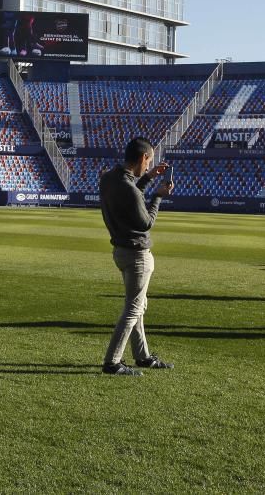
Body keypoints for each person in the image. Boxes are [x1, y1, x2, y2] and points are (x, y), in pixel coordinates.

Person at [99, 137, 174, 376]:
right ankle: (113, 362)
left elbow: (132, 194)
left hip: (121, 251)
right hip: (136, 254)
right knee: (133, 308)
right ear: (143, 157)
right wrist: (159, 195)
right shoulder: (128, 188)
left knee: (138, 305)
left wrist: (149, 178)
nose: (148, 165)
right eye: (148, 161)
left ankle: (142, 356)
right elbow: (145, 222)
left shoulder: (109, 178)